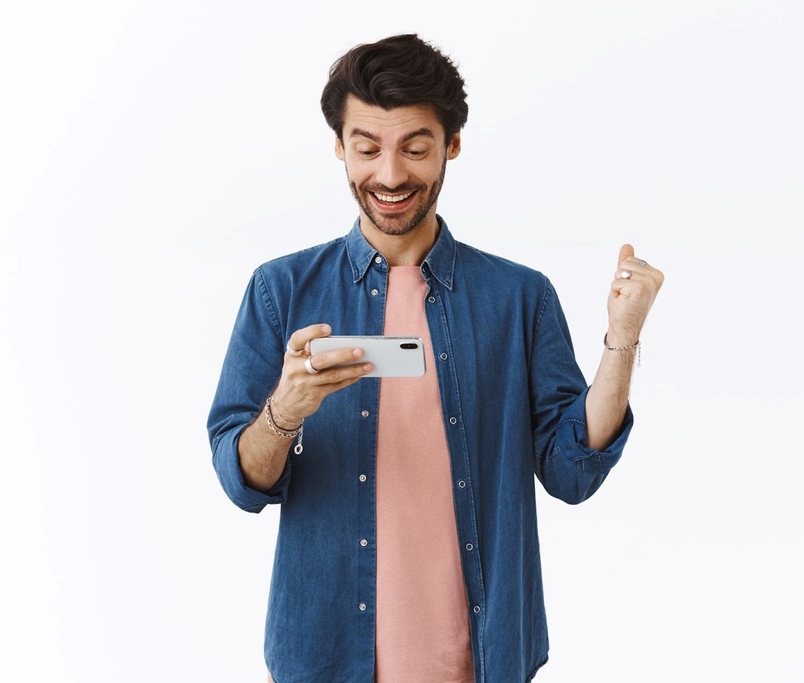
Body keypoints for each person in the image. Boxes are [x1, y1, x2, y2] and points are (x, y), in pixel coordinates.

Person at [208, 33, 664, 683]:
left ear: (451, 144)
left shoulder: (518, 297)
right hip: (327, 658)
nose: (390, 174)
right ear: (339, 147)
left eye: (415, 148)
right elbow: (240, 480)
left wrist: (622, 338)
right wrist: (283, 412)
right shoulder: (281, 290)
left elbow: (572, 469)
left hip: (482, 657)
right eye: (367, 148)